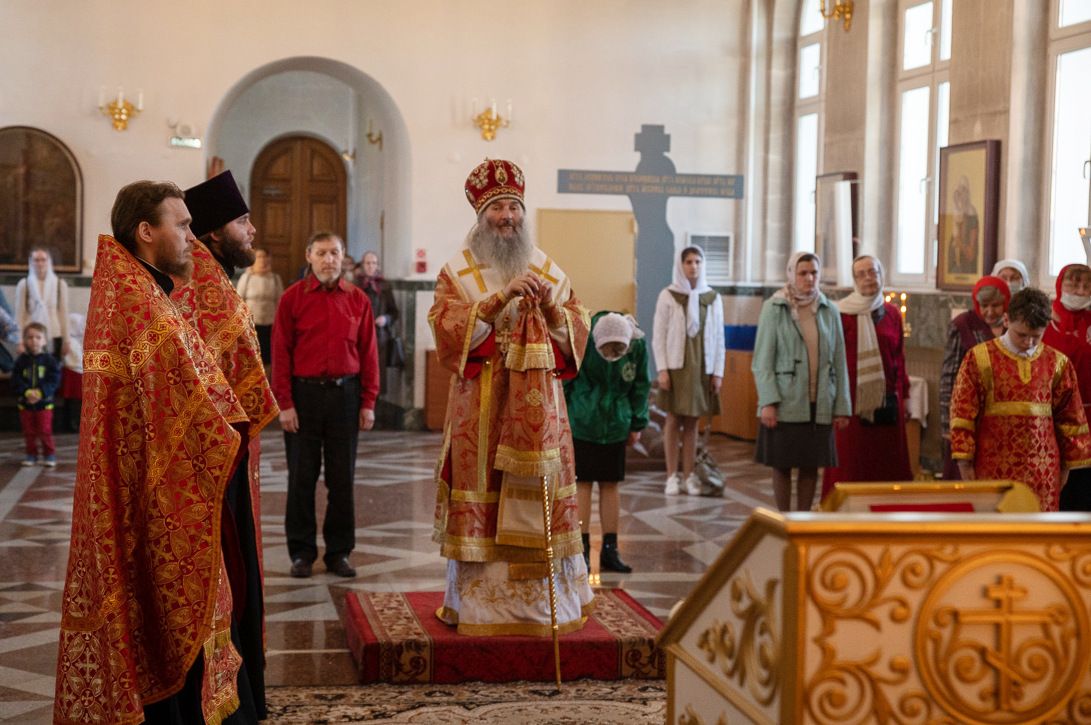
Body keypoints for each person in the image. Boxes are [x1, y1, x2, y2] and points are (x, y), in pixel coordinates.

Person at [55, 181, 252, 723]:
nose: (192, 237)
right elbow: (189, 401)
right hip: (156, 490)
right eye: (182, 225)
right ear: (146, 231)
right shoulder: (142, 304)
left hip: (149, 480)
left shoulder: (136, 290)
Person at [429, 158, 594, 636]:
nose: (508, 216)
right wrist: (498, 301)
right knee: (486, 492)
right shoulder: (458, 271)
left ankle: (547, 605)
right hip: (481, 407)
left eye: (514, 207)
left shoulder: (545, 267)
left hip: (540, 410)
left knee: (541, 490)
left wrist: (550, 307)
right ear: (481, 216)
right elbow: (445, 328)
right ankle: (483, 607)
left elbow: (578, 326)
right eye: (498, 208)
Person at [174, 169, 280, 720]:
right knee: (226, 569)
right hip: (215, 458)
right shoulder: (204, 282)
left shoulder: (209, 276)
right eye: (242, 221)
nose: (252, 230)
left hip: (225, 450)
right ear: (215, 231)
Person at [272, 231, 379, 580]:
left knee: (341, 478)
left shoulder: (358, 300)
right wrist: (285, 404)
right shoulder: (291, 299)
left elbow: (369, 354)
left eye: (334, 253)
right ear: (309, 256)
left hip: (345, 396)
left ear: (343, 257)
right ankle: (301, 552)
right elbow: (280, 353)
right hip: (303, 397)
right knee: (301, 478)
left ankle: (339, 552)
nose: (329, 259)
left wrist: (368, 401)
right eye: (321, 253)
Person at [950, 287, 1091, 511]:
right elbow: (962, 413)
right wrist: (964, 463)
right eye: (1022, 335)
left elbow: (1070, 418)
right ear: (1007, 320)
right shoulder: (979, 358)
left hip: (1043, 471)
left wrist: (1065, 468)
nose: (1029, 342)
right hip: (991, 467)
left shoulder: (1058, 363)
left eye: (1036, 336)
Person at [752, 251, 851, 511]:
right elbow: (763, 360)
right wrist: (768, 401)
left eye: (814, 273)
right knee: (782, 464)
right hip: (786, 400)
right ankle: (785, 520)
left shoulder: (829, 310)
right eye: (803, 273)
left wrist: (842, 406)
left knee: (811, 464)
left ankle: (803, 519)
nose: (809, 278)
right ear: (792, 275)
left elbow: (839, 360)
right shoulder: (775, 307)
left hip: (820, 401)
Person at [564, 312, 650, 574]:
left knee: (611, 483)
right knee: (583, 483)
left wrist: (637, 422)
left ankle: (610, 549)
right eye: (607, 351)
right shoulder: (582, 338)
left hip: (616, 423)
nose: (613, 357)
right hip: (584, 421)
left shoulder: (637, 345)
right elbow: (567, 381)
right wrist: (563, 419)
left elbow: (640, 385)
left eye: (618, 352)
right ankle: (582, 549)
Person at [822, 255, 912, 496]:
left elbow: (900, 357)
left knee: (886, 461)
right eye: (861, 274)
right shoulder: (840, 313)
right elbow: (830, 361)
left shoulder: (892, 313)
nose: (868, 278)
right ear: (854, 280)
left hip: (888, 398)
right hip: (851, 400)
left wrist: (905, 396)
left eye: (873, 272)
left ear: (881, 274)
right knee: (851, 461)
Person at [652, 245, 725, 495]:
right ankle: (671, 476)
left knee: (693, 421)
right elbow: (659, 335)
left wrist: (718, 372)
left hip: (702, 366)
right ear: (681, 265)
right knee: (673, 420)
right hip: (676, 366)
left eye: (698, 262)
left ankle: (689, 475)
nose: (693, 266)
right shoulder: (668, 295)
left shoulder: (712, 297)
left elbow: (719, 337)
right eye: (689, 262)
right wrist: (662, 369)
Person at [938, 276, 1010, 479]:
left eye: (996, 305)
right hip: (970, 413)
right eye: (984, 306)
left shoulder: (1013, 325)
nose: (990, 312)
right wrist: (947, 423)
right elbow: (948, 378)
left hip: (1004, 415)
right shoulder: (963, 325)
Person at [1043, 264, 1091, 511]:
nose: (1080, 291)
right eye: (1073, 284)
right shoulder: (1045, 321)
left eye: (1086, 286)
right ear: (1060, 285)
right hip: (1053, 416)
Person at [12, 322, 60, 467]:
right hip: (25, 404)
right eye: (30, 337)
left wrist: (40, 392)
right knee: (29, 432)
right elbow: (16, 380)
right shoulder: (21, 361)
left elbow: (54, 380)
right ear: (25, 340)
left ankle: (49, 454)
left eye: (38, 337)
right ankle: (31, 454)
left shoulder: (50, 361)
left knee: (45, 430)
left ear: (45, 340)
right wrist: (26, 392)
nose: (34, 340)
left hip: (44, 404)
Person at [15, 246, 69, 359]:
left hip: (54, 335)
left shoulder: (60, 284)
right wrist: (19, 341)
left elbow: (64, 315)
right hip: (31, 336)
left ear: (49, 262)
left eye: (43, 260)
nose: (40, 263)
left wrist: (67, 341)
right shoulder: (24, 284)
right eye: (36, 260)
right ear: (31, 262)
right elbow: (20, 315)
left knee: (53, 368)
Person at [236, 249, 284, 363]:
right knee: (251, 356)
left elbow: (280, 302)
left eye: (265, 257)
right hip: (251, 324)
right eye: (259, 257)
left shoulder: (275, 278)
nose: (262, 260)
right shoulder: (246, 277)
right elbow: (238, 301)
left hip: (270, 323)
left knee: (267, 356)